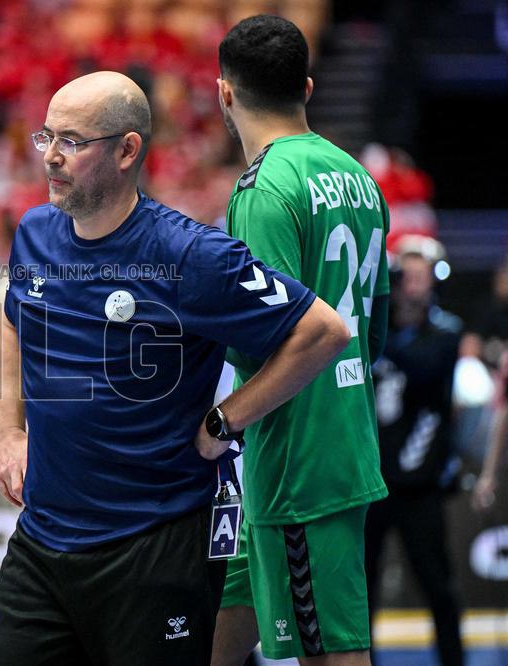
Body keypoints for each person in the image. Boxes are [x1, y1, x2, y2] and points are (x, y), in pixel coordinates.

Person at [0, 70, 351, 666]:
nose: (50, 156)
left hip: (153, 548)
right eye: (45, 136)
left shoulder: (191, 256)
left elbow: (322, 332)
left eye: (72, 141)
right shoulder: (34, 233)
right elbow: (9, 320)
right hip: (41, 546)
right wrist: (7, 430)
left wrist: (225, 422)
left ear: (128, 150)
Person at [211, 16, 390, 666]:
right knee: (210, 631)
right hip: (312, 445)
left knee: (330, 656)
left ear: (225, 93)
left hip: (298, 462)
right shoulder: (359, 178)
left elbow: (282, 338)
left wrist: (219, 419)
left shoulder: (263, 190)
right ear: (308, 86)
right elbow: (374, 327)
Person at [367, 237, 464, 666]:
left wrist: (373, 335)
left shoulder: (445, 333)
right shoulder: (375, 329)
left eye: (420, 277)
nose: (412, 286)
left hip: (420, 483)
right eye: (405, 276)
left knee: (438, 586)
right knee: (362, 587)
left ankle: (452, 660)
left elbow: (425, 370)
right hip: (372, 479)